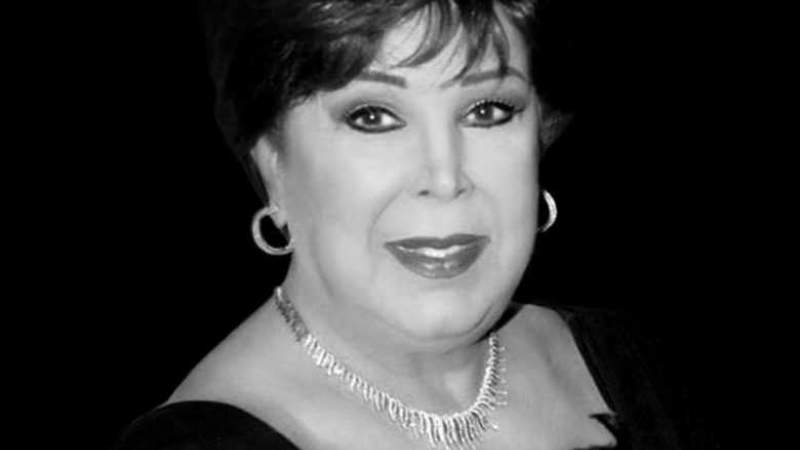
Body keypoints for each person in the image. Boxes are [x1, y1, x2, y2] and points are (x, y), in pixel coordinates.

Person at [115, 1, 717, 449]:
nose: (445, 176)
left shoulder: (637, 365)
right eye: (373, 116)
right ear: (272, 160)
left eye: (488, 110)